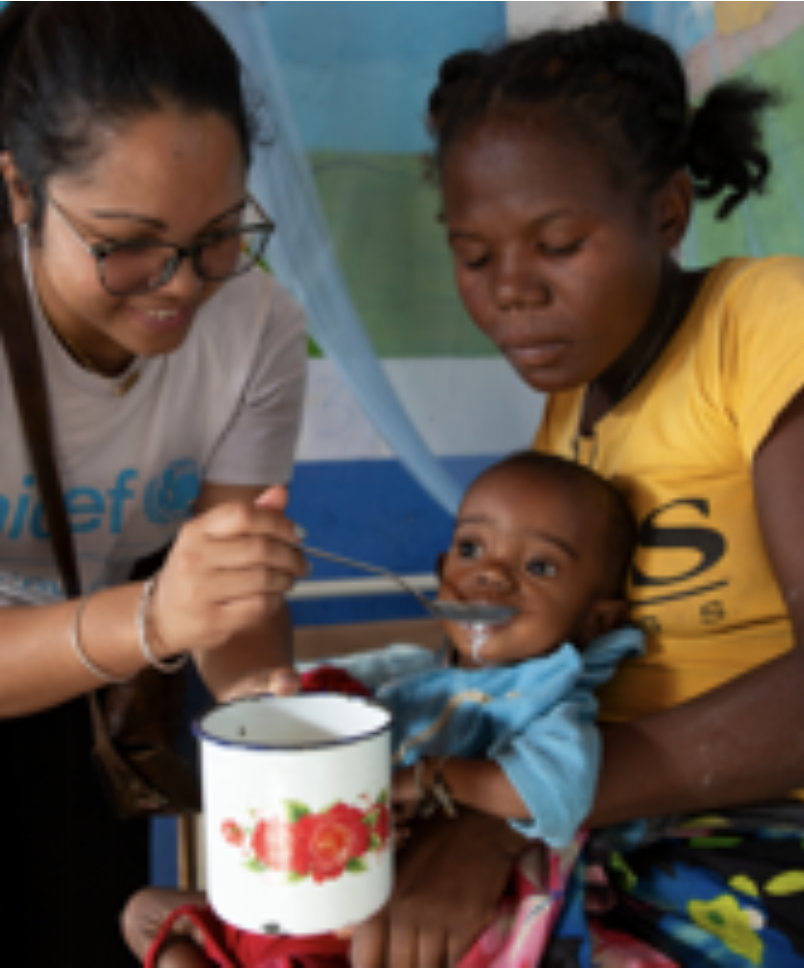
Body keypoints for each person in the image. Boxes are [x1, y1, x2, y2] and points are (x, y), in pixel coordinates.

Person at [342, 15, 804, 969]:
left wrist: (502, 802)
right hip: (617, 825)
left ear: (669, 212)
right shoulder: (569, 429)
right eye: (474, 256)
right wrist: (486, 814)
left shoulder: (761, 325)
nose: (510, 289)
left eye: (557, 243)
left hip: (759, 835)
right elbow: (533, 682)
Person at [0, 4, 308, 966]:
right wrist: (156, 620)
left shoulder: (256, 326)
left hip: (98, 711)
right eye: (128, 243)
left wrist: (278, 723)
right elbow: (177, 611)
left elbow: (229, 596)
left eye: (219, 236)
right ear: (19, 191)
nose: (179, 286)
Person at [121, 449, 644, 967]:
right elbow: (304, 691)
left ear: (597, 621)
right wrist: (275, 692)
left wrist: (435, 778)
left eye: (539, 565)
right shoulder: (409, 673)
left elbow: (558, 789)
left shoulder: (549, 698)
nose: (491, 574)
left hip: (400, 920)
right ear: (440, 574)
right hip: (312, 890)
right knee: (143, 910)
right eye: (470, 548)